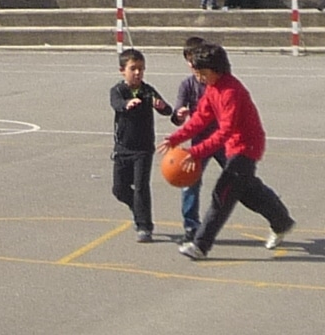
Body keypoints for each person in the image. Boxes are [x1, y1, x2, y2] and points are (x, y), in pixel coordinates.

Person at [160, 42, 295, 261]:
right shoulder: (212, 89)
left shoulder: (231, 91)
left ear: (216, 69)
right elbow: (201, 119)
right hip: (235, 146)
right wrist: (176, 138)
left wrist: (195, 152)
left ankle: (200, 245)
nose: (200, 78)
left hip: (246, 147)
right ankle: (282, 221)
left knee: (222, 195)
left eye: (203, 73)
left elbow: (224, 132)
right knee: (249, 193)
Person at [111, 48, 173, 242]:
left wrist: (162, 107)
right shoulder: (118, 90)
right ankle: (137, 207)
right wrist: (126, 104)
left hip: (143, 149)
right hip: (123, 148)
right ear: (123, 70)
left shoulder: (148, 90)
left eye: (141, 69)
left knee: (141, 187)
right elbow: (116, 103)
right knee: (119, 189)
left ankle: (144, 226)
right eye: (133, 69)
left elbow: (167, 109)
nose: (137, 73)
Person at [170, 37, 222, 244]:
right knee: (190, 182)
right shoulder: (187, 85)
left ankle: (274, 215)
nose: (194, 66)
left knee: (241, 180)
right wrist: (179, 115)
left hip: (221, 138)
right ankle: (191, 225)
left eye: (196, 61)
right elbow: (176, 114)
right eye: (190, 62)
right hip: (200, 141)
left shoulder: (216, 82)